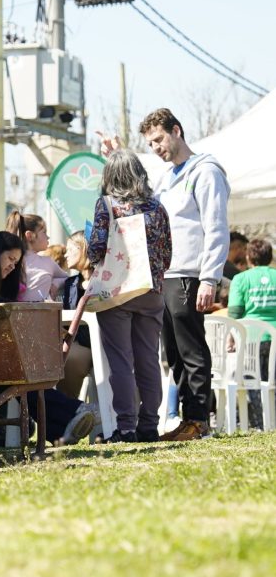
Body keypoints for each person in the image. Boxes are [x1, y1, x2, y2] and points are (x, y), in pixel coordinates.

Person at [128, 108, 230, 441]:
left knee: (192, 349)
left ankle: (199, 420)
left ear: (177, 131)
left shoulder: (206, 172)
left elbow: (216, 228)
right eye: (151, 143)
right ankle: (189, 418)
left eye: (159, 139)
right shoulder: (166, 177)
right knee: (172, 353)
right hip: (166, 274)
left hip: (191, 273)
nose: (156, 147)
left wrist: (210, 277)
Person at [0, 231, 98, 446]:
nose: (12, 266)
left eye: (16, 262)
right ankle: (70, 414)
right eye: (10, 259)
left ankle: (59, 428)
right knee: (21, 371)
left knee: (22, 371)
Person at [87, 150, 172, 443]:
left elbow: (96, 249)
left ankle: (126, 427)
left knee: (121, 361)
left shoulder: (107, 205)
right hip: (151, 291)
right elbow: (167, 252)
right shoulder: (157, 208)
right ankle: (150, 425)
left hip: (117, 292)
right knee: (148, 358)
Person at [227, 239, 276, 426]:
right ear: (270, 257)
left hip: (251, 340)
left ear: (248, 257)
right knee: (272, 380)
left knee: (253, 381)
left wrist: (230, 339)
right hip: (275, 340)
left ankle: (260, 421)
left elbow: (234, 313)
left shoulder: (241, 279)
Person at [58, 231, 93, 399]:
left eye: (70, 249)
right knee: (70, 358)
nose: (66, 254)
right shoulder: (70, 284)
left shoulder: (106, 281)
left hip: (109, 343)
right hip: (81, 343)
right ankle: (69, 413)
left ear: (84, 248)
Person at [6, 211, 68, 302]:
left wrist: (56, 283)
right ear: (30, 236)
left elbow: (67, 278)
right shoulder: (9, 262)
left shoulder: (48, 262)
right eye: (44, 232)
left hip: (42, 314)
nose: (48, 237)